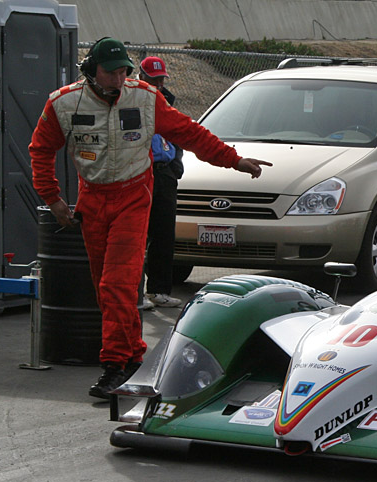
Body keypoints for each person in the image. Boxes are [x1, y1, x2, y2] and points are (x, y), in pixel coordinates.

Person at [29, 38, 272, 400]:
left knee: (117, 283)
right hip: (92, 200)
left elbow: (190, 133)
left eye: (124, 70)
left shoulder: (144, 97)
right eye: (111, 71)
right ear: (90, 70)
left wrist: (234, 160)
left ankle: (113, 365)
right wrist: (53, 198)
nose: (119, 77)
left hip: (133, 197)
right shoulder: (62, 102)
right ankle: (133, 358)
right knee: (108, 289)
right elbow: (41, 149)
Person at [138, 56, 183, 308]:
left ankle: (158, 290)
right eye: (152, 79)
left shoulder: (167, 103)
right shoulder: (132, 100)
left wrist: (176, 164)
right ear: (141, 77)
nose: (157, 84)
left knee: (164, 233)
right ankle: (134, 292)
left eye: (160, 80)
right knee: (136, 234)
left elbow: (179, 132)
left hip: (164, 172)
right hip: (140, 172)